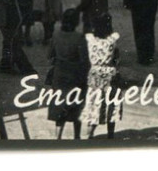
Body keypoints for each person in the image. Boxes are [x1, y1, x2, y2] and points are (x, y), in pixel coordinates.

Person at [47, 8, 89, 138]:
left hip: (59, 75)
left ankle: (58, 138)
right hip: (75, 76)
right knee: (76, 106)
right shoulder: (79, 38)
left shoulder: (56, 35)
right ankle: (77, 137)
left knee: (60, 106)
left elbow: (50, 55)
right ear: (76, 22)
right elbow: (84, 60)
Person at [80, 13, 122, 139]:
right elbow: (117, 57)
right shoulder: (113, 40)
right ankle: (110, 134)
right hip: (110, 74)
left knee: (94, 104)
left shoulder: (90, 40)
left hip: (95, 73)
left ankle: (89, 134)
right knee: (111, 104)